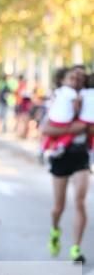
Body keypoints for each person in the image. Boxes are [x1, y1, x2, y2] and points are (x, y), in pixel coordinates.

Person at [42, 65, 90, 264]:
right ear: (64, 81)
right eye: (73, 77)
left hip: (81, 156)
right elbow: (47, 129)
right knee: (58, 207)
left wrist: (86, 126)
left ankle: (76, 248)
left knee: (80, 201)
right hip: (61, 156)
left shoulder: (89, 102)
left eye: (81, 78)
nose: (77, 81)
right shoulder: (58, 101)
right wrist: (73, 128)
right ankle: (55, 230)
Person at [41, 68, 79, 158]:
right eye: (71, 79)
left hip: (53, 118)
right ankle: (60, 146)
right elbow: (75, 108)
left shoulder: (58, 91)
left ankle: (43, 148)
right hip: (64, 120)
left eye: (75, 79)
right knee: (70, 133)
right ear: (62, 80)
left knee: (50, 135)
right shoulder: (72, 92)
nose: (74, 82)